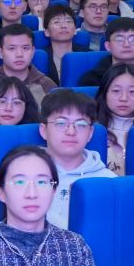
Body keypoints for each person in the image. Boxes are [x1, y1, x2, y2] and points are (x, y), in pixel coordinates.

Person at [39, 89, 114, 228]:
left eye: (81, 125)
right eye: (61, 123)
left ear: (90, 133)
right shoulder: (26, 176)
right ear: (43, 130)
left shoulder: (109, 181)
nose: (71, 132)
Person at [78, 17, 134, 114]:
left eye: (133, 39)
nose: (126, 44)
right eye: (119, 39)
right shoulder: (91, 80)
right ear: (108, 46)